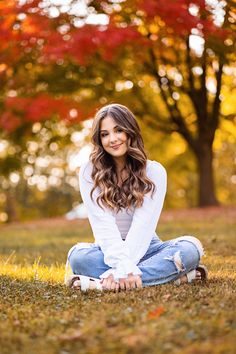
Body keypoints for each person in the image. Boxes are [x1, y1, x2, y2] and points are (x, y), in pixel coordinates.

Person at [65, 103, 208, 292]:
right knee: (78, 256)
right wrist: (122, 265)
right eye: (105, 134)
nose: (113, 139)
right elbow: (102, 225)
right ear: (99, 139)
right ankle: (171, 278)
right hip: (107, 249)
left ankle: (102, 284)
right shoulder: (89, 172)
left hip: (148, 246)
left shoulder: (154, 172)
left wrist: (118, 272)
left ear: (130, 131)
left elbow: (143, 226)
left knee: (191, 248)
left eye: (118, 130)